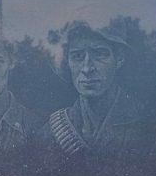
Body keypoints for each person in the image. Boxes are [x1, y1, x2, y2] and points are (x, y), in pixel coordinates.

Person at [42, 20, 149, 163]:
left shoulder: (147, 122)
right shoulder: (53, 130)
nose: (87, 69)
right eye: (78, 56)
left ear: (119, 59)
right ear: (68, 62)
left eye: (99, 54)